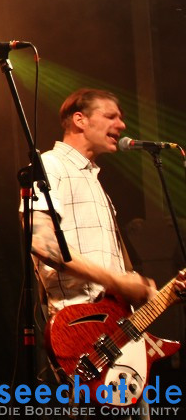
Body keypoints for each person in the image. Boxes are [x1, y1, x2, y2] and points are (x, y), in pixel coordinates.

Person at [26, 88, 174, 387]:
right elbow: (40, 242)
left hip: (116, 336)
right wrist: (116, 281)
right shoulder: (52, 165)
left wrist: (143, 289)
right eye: (110, 116)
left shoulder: (93, 182)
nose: (121, 126)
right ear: (79, 120)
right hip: (81, 336)